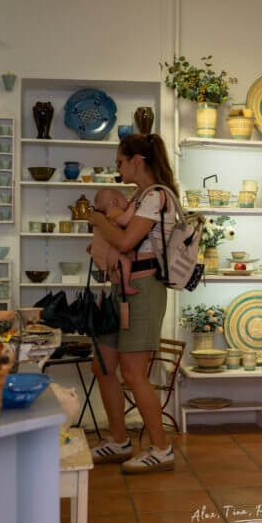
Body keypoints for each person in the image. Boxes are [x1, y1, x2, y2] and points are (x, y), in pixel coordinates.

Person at [86, 133, 177, 474]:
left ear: (137, 161)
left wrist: (98, 220)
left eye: (120, 162)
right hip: (122, 288)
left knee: (133, 372)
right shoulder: (139, 197)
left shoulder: (156, 196)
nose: (118, 168)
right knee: (102, 365)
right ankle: (119, 440)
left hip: (144, 288)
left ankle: (162, 448)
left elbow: (126, 241)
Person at [90, 188, 138, 295]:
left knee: (119, 267)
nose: (127, 201)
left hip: (102, 254)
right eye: (124, 199)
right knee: (126, 262)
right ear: (115, 202)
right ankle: (124, 286)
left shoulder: (104, 218)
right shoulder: (114, 212)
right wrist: (132, 207)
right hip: (109, 254)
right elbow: (124, 221)